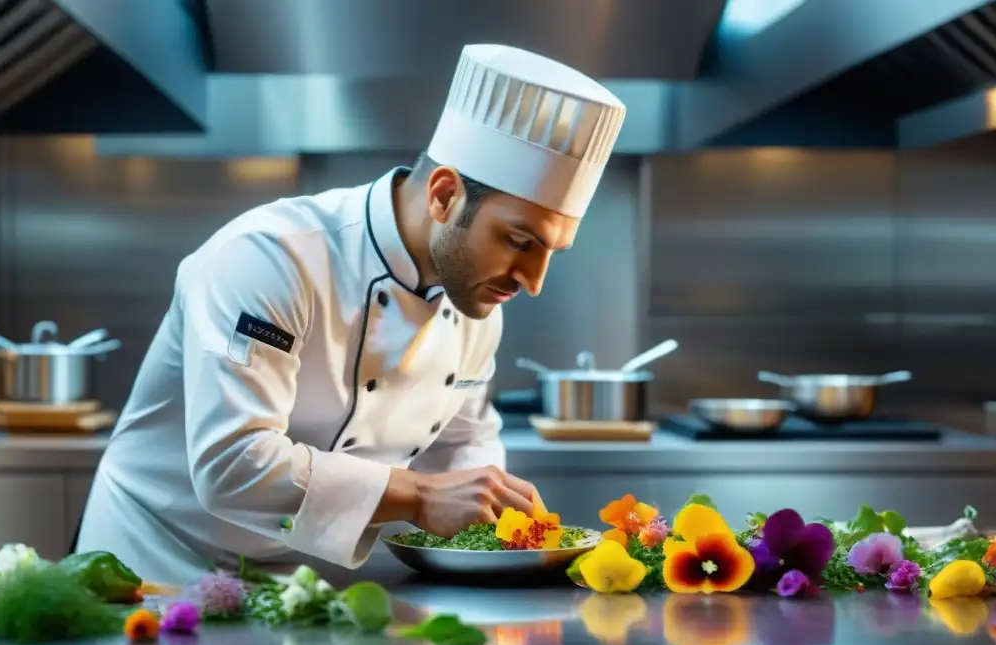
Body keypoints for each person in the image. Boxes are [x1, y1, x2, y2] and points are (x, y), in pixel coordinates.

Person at [73, 44, 627, 585]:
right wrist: (421, 496)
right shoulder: (271, 258)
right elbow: (233, 464)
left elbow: (462, 445)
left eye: (552, 252)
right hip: (154, 567)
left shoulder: (478, 302)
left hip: (297, 576)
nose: (533, 281)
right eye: (518, 240)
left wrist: (499, 520)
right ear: (443, 195)